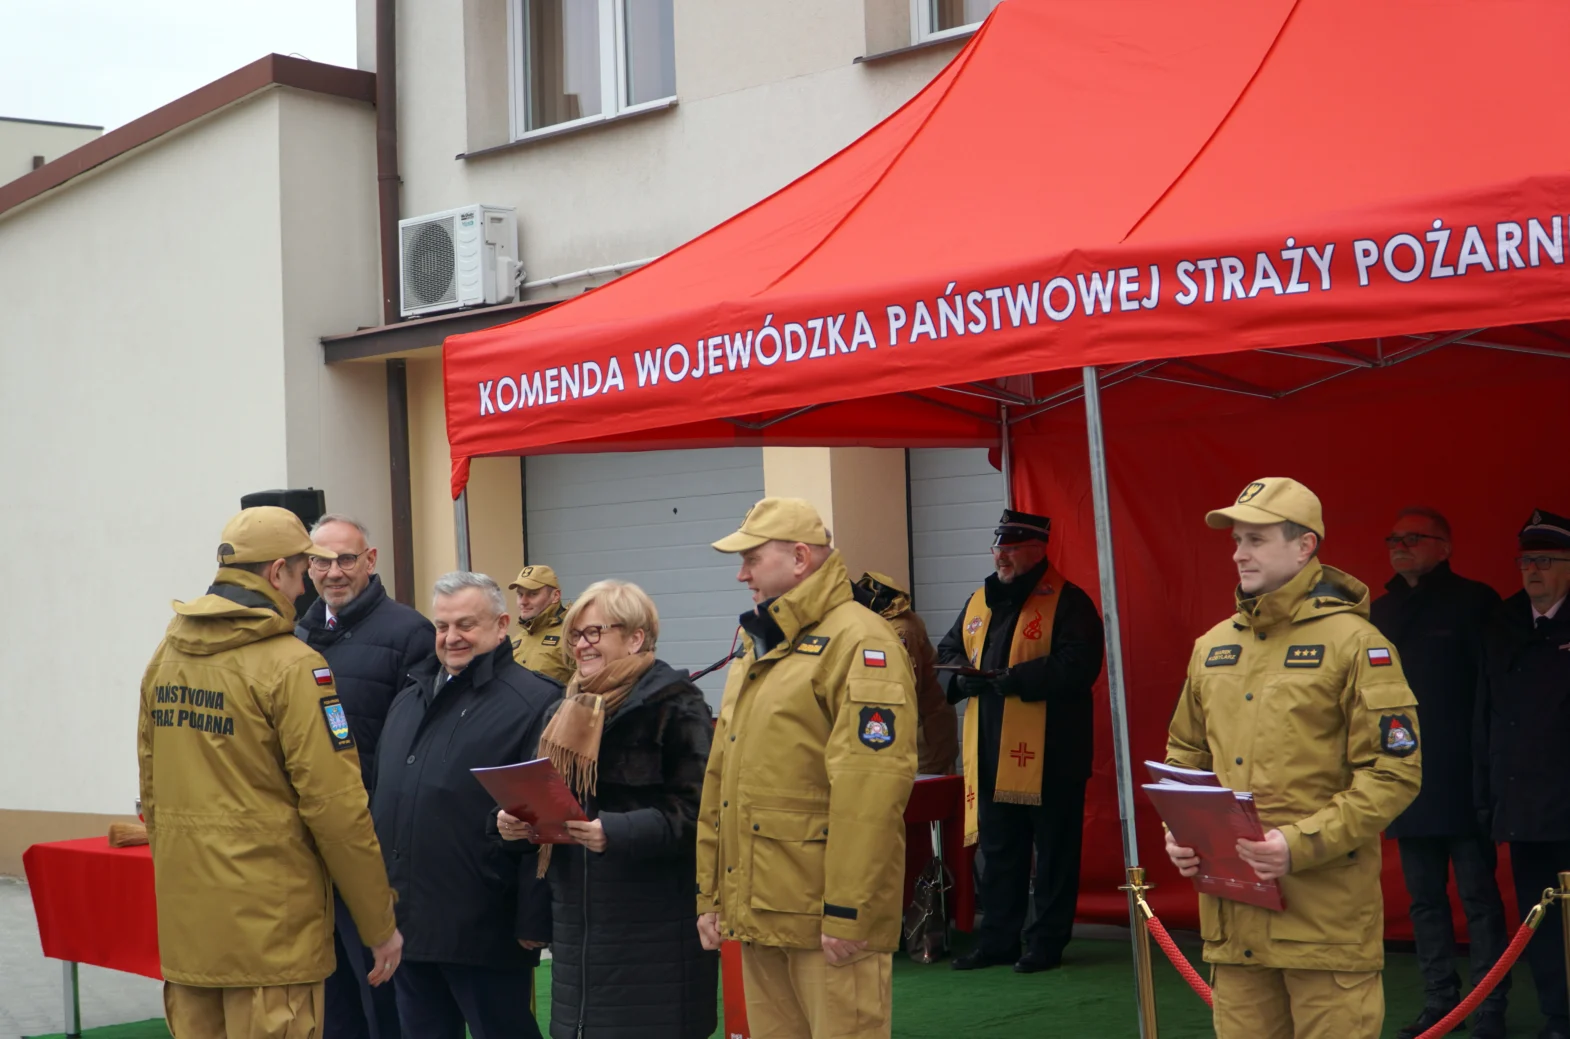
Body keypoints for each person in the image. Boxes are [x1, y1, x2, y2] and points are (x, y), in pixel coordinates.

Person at [1164, 477, 1422, 1039]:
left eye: (1256, 539)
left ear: (1305, 546)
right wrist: (1181, 829)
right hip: (1235, 927)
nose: (1239, 553)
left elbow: (1393, 773)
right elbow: (1185, 752)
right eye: (1237, 540)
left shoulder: (1358, 644)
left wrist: (1296, 844)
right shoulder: (1211, 647)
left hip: (1324, 926)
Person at [137, 506, 403, 1038]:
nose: (305, 589)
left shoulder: (166, 655)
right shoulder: (294, 665)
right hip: (272, 936)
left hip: (191, 932)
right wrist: (379, 924)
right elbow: (338, 808)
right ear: (277, 571)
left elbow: (151, 787)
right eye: (303, 572)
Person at [698, 497, 917, 1039]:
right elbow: (722, 779)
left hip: (825, 921)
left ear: (799, 558)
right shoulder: (761, 642)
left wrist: (848, 910)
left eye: (752, 559)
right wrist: (713, 895)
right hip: (761, 910)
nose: (742, 574)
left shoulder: (861, 641)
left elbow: (871, 790)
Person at [497, 580, 719, 1039]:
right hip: (577, 934)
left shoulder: (677, 706)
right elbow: (544, 803)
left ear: (635, 638)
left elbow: (701, 813)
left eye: (594, 633)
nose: (580, 645)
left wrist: (616, 831)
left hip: (654, 935)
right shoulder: (564, 710)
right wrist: (513, 823)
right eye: (576, 634)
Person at [371, 572, 561, 1039]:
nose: (452, 637)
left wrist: (533, 919)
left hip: (484, 927)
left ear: (501, 626)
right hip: (408, 924)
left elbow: (547, 824)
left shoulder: (535, 703)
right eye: (442, 626)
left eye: (466, 625)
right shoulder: (409, 699)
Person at [936, 509, 1105, 973]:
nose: (1001, 557)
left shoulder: (1069, 602)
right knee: (999, 852)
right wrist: (960, 681)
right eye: (998, 548)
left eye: (1011, 548)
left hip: (1053, 755)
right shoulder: (979, 601)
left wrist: (1017, 679)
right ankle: (998, 941)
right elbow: (948, 650)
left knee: (1053, 853)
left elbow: (1080, 664)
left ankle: (1046, 942)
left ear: (1038, 550)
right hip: (991, 751)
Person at [1370, 507, 1508, 1039]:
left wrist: (1489, 773)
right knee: (1424, 901)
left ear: (1445, 547)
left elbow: (1495, 694)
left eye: (1413, 538)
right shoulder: (1379, 612)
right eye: (1393, 538)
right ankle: (1441, 1004)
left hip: (1466, 776)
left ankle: (1489, 1006)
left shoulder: (1476, 602)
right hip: (1405, 778)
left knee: (1479, 899)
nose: (1400, 546)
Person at [297, 514, 435, 1039]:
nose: (334, 572)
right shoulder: (297, 632)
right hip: (310, 847)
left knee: (384, 996)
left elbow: (416, 749)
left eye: (346, 559)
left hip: (373, 847)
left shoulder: (410, 633)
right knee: (332, 1001)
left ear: (370, 561)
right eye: (321, 561)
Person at [1477, 508, 1570, 1039]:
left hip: (1566, 797)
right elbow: (1486, 714)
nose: (1532, 570)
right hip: (1523, 803)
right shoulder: (1505, 622)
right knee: (1541, 919)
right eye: (1526, 560)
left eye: (1545, 560)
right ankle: (1559, 1014)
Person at [853, 570, 958, 774]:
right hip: (911, 737)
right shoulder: (879, 623)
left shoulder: (900, 630)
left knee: (926, 792)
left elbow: (903, 690)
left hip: (924, 741)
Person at [511, 564, 575, 684]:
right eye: (520, 594)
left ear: (555, 596)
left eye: (532, 594)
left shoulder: (573, 635)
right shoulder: (516, 640)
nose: (523, 602)